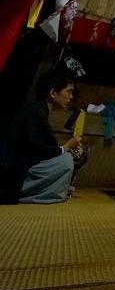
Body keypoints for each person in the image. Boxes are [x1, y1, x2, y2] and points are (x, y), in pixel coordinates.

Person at [0, 70, 81, 204]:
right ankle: (24, 194)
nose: (71, 96)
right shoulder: (36, 114)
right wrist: (68, 146)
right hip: (8, 175)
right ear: (53, 93)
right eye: (69, 91)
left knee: (64, 159)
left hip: (12, 168)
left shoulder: (36, 110)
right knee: (65, 161)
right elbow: (43, 152)